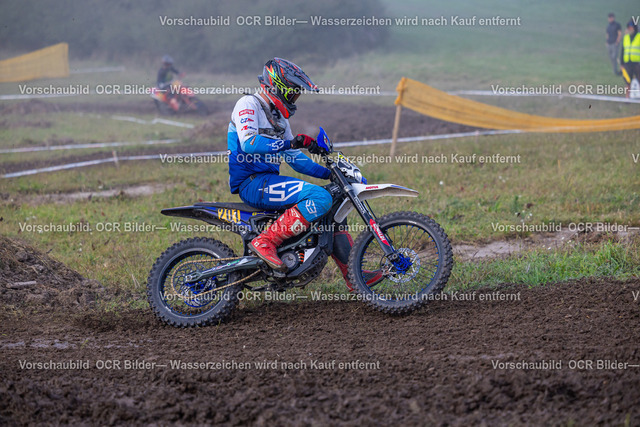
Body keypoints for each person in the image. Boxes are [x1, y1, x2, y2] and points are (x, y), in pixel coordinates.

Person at [227, 58, 381, 289]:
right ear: (278, 87)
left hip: (268, 181)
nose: (295, 97)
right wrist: (290, 143)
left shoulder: (279, 119)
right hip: (252, 183)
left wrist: (331, 174)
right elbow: (249, 143)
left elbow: (296, 160)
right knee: (319, 197)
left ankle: (354, 275)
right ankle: (265, 241)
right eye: (294, 92)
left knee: (334, 201)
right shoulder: (249, 104)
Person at [621, 20, 640, 96]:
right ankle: (627, 98)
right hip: (627, 64)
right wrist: (622, 63)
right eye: (628, 27)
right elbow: (623, 50)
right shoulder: (626, 37)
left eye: (631, 27)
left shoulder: (639, 37)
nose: (629, 29)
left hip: (637, 63)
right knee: (627, 82)